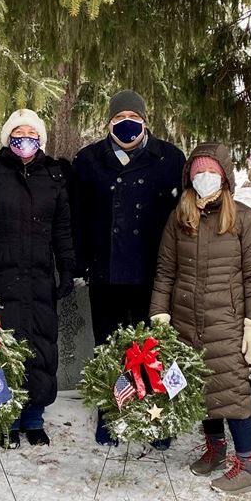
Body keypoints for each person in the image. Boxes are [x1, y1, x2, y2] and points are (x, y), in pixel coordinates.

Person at [70, 89, 186, 446]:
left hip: (153, 272)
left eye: (133, 119)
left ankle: (155, 411)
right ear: (109, 122)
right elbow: (76, 217)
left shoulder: (169, 158)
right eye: (119, 119)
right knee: (108, 345)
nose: (126, 125)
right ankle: (111, 409)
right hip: (105, 271)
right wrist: (79, 262)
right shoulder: (88, 160)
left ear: (145, 121)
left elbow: (182, 217)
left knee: (153, 346)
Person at [150, 144, 251, 492]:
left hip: (227, 322)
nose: (205, 178)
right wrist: (159, 314)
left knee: (232, 392)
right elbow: (165, 271)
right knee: (202, 390)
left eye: (212, 172)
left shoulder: (244, 218)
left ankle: (248, 466)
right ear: (189, 178)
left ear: (225, 177)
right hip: (186, 319)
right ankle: (215, 449)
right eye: (199, 172)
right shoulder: (179, 217)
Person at [0, 109, 75, 447]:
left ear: (41, 139)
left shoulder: (53, 177)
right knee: (3, 347)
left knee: (39, 344)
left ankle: (33, 418)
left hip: (39, 278)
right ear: (8, 138)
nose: (25, 139)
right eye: (18, 133)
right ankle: (5, 415)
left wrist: (67, 267)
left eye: (32, 134)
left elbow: (62, 230)